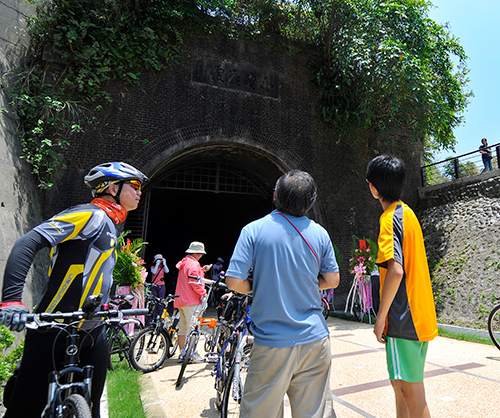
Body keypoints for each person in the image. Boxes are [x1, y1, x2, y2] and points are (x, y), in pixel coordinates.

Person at [0, 161, 148, 418]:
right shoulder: (89, 215)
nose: (139, 192)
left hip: (93, 329)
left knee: (92, 409)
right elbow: (28, 242)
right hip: (54, 325)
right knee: (24, 411)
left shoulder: (112, 223)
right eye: (134, 185)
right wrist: (12, 301)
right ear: (113, 188)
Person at [225, 169, 340, 418]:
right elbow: (332, 280)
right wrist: (305, 283)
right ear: (311, 201)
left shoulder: (253, 230)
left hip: (271, 343)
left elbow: (233, 281)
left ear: (275, 196)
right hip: (315, 340)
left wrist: (263, 284)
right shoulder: (320, 233)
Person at [366, 154, 437, 418]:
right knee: (400, 386)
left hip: (401, 318)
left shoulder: (388, 219)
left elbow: (396, 270)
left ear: (373, 188)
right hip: (418, 314)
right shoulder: (408, 214)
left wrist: (380, 318)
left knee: (411, 394)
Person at [174, 241, 212, 362]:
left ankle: (183, 353)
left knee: (183, 329)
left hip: (181, 300)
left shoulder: (185, 262)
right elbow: (194, 281)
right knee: (193, 329)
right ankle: (192, 354)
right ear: (196, 252)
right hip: (191, 301)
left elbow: (191, 276)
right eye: (200, 253)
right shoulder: (193, 264)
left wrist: (202, 269)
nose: (201, 255)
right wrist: (203, 293)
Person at [149, 254, 169, 321]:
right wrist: (157, 265)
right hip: (154, 286)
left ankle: (159, 317)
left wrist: (164, 263)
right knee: (154, 302)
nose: (159, 261)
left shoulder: (162, 268)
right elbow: (154, 272)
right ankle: (152, 318)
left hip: (162, 286)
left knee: (161, 302)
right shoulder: (152, 267)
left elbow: (167, 271)